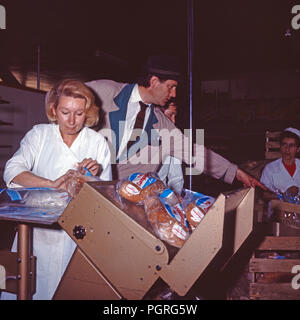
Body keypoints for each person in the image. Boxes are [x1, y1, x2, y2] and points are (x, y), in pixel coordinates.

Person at [2, 79, 112, 299]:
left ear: (88, 112)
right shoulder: (40, 135)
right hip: (36, 234)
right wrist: (50, 184)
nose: (71, 121)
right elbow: (12, 172)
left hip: (76, 235)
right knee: (31, 288)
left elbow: (105, 199)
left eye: (79, 114)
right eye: (65, 112)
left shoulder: (97, 142)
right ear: (54, 109)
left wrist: (93, 177)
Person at [86, 55, 265, 190]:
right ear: (154, 81)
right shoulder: (104, 92)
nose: (174, 94)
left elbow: (194, 151)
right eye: (171, 86)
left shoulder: (162, 124)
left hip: (116, 196)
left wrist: (237, 174)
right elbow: (64, 99)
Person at [260, 127, 300, 194]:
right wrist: (285, 194)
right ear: (280, 146)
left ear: (298, 149)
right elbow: (263, 194)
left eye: (291, 145)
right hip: (278, 204)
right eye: (284, 144)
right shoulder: (270, 169)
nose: (287, 149)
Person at [157, 100, 184, 194]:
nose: (174, 120)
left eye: (175, 116)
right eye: (171, 115)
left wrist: (175, 199)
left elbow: (176, 178)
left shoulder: (172, 140)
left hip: (157, 198)